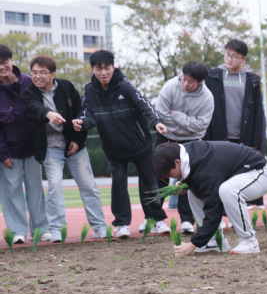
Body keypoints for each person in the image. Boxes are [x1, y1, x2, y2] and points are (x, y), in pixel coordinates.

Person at [73, 50, 169, 239]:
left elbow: (144, 104)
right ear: (92, 69)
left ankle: (157, 220)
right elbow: (87, 114)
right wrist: (81, 122)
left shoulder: (125, 86)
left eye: (107, 68)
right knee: (118, 185)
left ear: (113, 67)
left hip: (140, 146)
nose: (103, 72)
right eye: (98, 69)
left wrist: (156, 122)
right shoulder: (90, 90)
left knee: (150, 182)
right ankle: (122, 224)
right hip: (114, 149)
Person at [22, 56, 106, 242]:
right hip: (50, 147)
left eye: (42, 72)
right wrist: (48, 114)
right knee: (55, 186)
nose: (37, 76)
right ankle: (57, 230)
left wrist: (77, 139)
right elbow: (34, 108)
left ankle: (100, 227)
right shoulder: (29, 93)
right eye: (34, 72)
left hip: (74, 145)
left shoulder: (66, 87)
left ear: (52, 74)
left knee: (88, 185)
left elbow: (80, 111)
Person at [153, 141, 267, 255]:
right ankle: (212, 241)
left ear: (177, 162)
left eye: (169, 174)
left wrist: (193, 244)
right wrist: (187, 182)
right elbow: (198, 176)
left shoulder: (206, 169)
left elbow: (213, 211)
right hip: (241, 173)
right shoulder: (188, 154)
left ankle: (250, 241)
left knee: (228, 190)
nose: (170, 178)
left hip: (260, 172)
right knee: (193, 191)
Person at [203, 39, 267, 217]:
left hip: (243, 138)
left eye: (234, 56)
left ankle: (236, 214)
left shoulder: (252, 80)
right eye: (227, 54)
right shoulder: (214, 76)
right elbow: (206, 107)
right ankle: (218, 215)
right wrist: (206, 135)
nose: (229, 59)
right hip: (218, 136)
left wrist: (255, 141)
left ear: (243, 59)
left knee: (239, 177)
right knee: (218, 175)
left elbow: (257, 112)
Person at [153, 61, 215, 234]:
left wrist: (176, 115)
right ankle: (155, 218)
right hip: (166, 137)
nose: (186, 84)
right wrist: (187, 122)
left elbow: (201, 126)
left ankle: (187, 220)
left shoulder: (207, 98)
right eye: (184, 79)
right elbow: (162, 113)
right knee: (159, 177)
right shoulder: (170, 86)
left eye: (191, 82)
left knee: (189, 179)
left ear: (200, 82)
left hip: (192, 141)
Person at [0, 45, 48, 243]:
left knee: (36, 189)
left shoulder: (30, 83)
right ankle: (17, 231)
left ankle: (41, 228)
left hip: (33, 148)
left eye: (4, 62)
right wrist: (3, 153)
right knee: (11, 191)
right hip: (9, 150)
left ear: (11, 61)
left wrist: (41, 148)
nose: (1, 67)